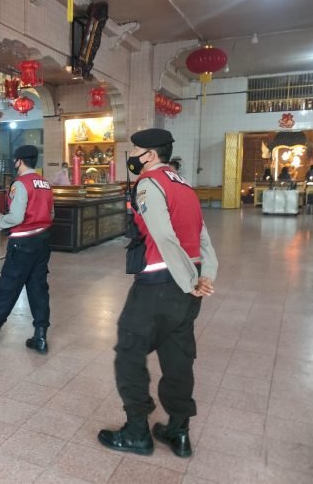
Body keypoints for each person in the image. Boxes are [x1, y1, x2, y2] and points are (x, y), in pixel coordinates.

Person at [98, 128, 218, 458]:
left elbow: (163, 236)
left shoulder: (149, 184)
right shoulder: (184, 186)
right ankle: (178, 432)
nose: (133, 157)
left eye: (136, 151)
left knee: (129, 352)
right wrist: (204, 276)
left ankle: (137, 431)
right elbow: (203, 237)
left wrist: (188, 280)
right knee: (178, 357)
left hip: (159, 286)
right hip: (187, 291)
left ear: (150, 155)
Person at [0, 145, 54, 354]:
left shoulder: (20, 184)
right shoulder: (45, 184)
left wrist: (0, 219)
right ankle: (40, 336)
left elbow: (16, 217)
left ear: (19, 161)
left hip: (22, 244)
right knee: (38, 289)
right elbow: (51, 213)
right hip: (42, 242)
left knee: (8, 288)